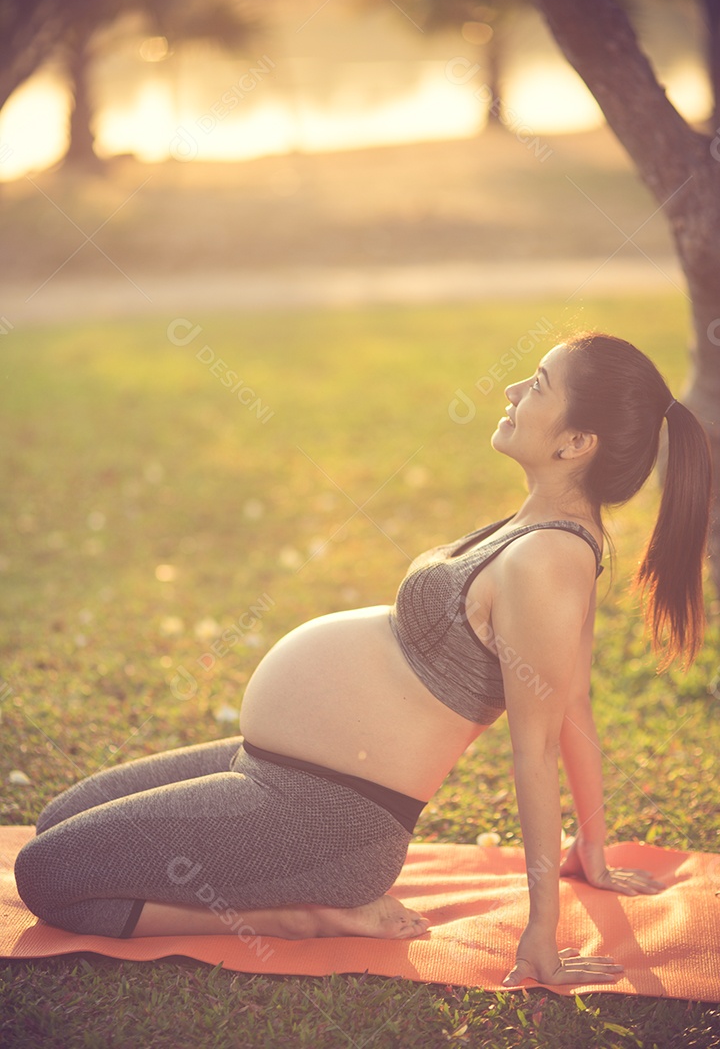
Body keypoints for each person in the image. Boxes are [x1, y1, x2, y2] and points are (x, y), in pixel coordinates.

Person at [15, 332, 712, 988]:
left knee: (48, 876)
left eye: (536, 385)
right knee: (60, 819)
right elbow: (577, 703)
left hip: (325, 818)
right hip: (272, 771)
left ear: (575, 443)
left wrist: (542, 928)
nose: (509, 390)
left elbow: (537, 746)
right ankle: (281, 890)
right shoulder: (541, 530)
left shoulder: (551, 559)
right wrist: (592, 846)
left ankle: (296, 915)